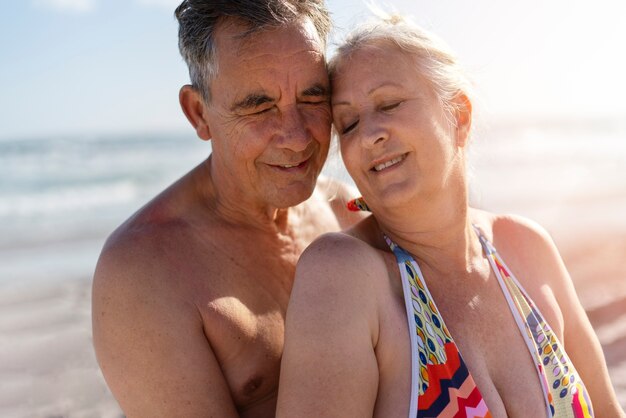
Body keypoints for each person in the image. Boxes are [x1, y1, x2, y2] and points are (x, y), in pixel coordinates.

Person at [276, 13, 625, 418]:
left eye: (388, 104)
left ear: (458, 114)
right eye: (349, 124)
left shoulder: (527, 248)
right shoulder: (345, 276)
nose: (369, 134)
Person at [91, 1, 364, 417]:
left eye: (312, 98)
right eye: (259, 106)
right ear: (199, 114)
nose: (295, 136)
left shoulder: (348, 213)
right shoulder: (143, 272)